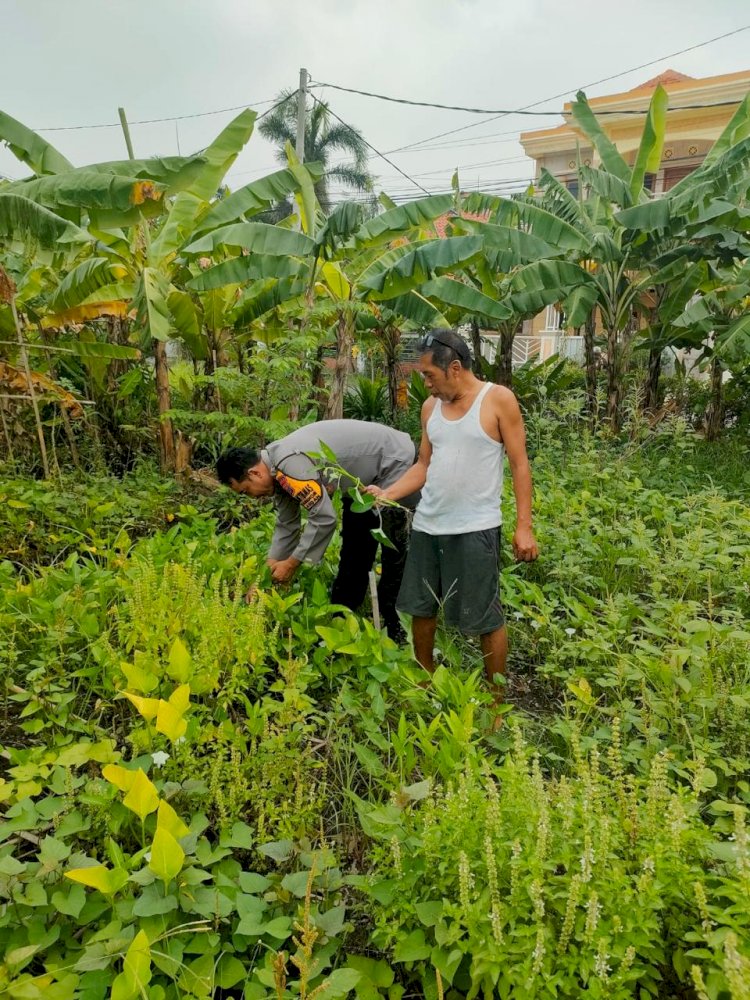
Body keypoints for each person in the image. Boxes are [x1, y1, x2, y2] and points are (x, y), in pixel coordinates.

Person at [365, 329, 538, 698]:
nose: (424, 383)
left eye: (429, 374)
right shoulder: (431, 409)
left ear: (455, 368)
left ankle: (495, 701)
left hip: (476, 528)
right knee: (421, 608)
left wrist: (525, 527)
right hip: (429, 525)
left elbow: (520, 466)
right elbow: (424, 464)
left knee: (485, 616)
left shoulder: (497, 400)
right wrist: (388, 493)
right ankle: (425, 681)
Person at [216, 420, 420, 642]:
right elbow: (287, 524)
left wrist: (292, 564)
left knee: (394, 546)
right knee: (355, 545)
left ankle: (395, 627)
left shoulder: (288, 464)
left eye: (246, 491)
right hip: (362, 482)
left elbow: (324, 518)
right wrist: (265, 575)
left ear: (254, 473)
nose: (252, 497)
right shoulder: (276, 470)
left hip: (394, 462)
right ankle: (342, 619)